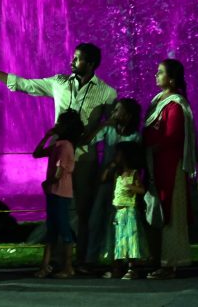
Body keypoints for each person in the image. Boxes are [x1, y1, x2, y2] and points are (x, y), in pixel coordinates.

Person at [0, 43, 117, 268]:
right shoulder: (59, 82)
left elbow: (112, 125)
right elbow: (26, 85)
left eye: (78, 58)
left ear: (91, 63)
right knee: (57, 208)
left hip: (85, 158)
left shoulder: (107, 92)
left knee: (84, 211)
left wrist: (98, 143)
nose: (72, 61)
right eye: (73, 57)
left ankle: (83, 260)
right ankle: (56, 259)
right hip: (59, 155)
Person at [142, 58, 197, 279]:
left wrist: (150, 148)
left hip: (170, 166)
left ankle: (170, 263)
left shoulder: (176, 104)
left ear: (172, 79)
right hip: (156, 165)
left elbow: (172, 136)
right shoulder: (158, 100)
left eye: (161, 72)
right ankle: (156, 258)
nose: (156, 75)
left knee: (171, 213)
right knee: (157, 210)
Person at [84, 98, 142, 267]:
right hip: (106, 181)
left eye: (117, 110)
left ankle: (116, 260)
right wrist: (102, 125)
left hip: (123, 185)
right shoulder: (109, 130)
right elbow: (88, 141)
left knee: (117, 220)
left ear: (128, 115)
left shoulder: (135, 136)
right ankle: (91, 259)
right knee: (96, 219)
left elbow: (136, 162)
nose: (113, 113)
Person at [32, 109, 84, 279]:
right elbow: (36, 153)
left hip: (60, 193)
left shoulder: (65, 146)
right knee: (52, 230)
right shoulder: (58, 144)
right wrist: (47, 136)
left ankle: (68, 267)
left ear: (67, 127)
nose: (57, 124)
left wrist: (47, 183)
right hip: (54, 192)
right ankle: (45, 266)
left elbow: (59, 172)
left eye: (60, 123)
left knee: (63, 228)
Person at [103, 141, 148, 280]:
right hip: (118, 213)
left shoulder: (133, 174)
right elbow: (103, 179)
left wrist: (132, 187)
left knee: (131, 240)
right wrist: (109, 167)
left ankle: (132, 268)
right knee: (118, 240)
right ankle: (117, 268)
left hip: (129, 212)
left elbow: (142, 189)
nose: (115, 156)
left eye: (118, 154)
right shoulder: (117, 173)